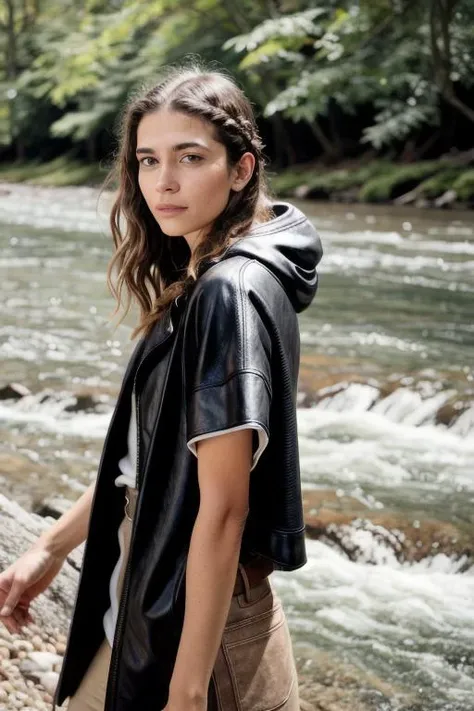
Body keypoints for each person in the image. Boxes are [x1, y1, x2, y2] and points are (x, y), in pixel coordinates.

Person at [0, 63, 323, 711]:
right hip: (150, 580)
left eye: (190, 157)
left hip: (201, 626)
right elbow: (154, 462)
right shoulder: (204, 274)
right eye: (148, 159)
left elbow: (225, 508)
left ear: (242, 169)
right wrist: (49, 545)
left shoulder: (229, 293)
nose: (162, 181)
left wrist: (186, 687)